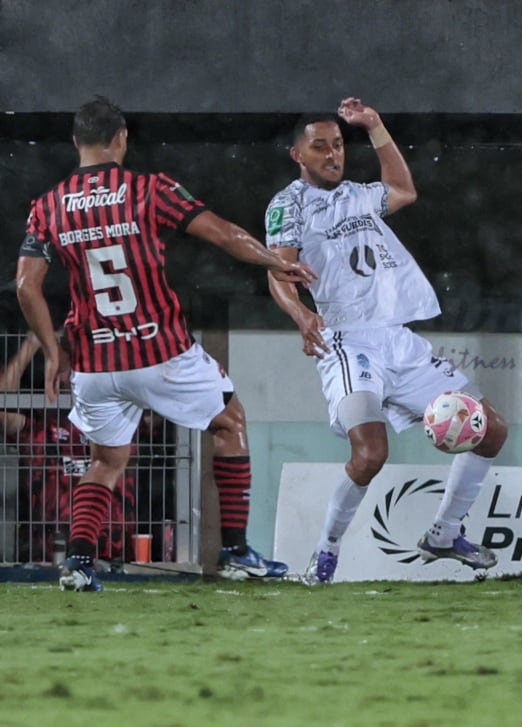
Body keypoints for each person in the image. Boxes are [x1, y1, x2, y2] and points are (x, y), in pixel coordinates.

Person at [16, 96, 318, 591]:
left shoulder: (48, 205)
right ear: (121, 138)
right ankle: (236, 552)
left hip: (94, 362)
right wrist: (273, 261)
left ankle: (77, 562)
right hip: (160, 352)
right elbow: (222, 234)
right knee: (230, 422)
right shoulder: (148, 189)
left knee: (105, 462)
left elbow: (27, 285)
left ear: (76, 143)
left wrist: (52, 352)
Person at [264, 98, 508, 584]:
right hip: (347, 341)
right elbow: (279, 271)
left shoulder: (358, 194)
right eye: (320, 147)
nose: (334, 155)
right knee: (371, 454)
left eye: (337, 145)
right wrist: (298, 313)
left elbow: (403, 190)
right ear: (298, 155)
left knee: (491, 430)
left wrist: (375, 127)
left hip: (397, 340)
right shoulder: (287, 204)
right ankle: (325, 552)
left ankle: (445, 532)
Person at [0, 332, 136, 563]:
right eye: (61, 369)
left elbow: (156, 404)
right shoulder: (40, 427)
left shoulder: (122, 419)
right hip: (48, 553)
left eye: (75, 368)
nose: (67, 377)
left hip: (113, 551)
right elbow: (3, 409)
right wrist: (32, 344)